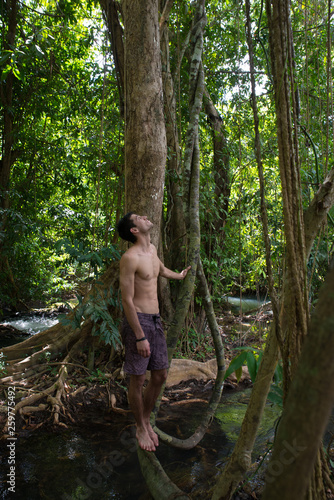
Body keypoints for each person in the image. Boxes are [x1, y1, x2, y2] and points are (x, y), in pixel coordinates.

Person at [117, 212, 191, 452]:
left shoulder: (153, 250)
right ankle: (140, 426)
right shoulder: (129, 258)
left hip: (156, 321)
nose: (145, 216)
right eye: (138, 217)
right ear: (134, 231)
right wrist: (139, 336)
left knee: (159, 375)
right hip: (138, 322)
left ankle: (146, 419)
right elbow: (127, 300)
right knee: (138, 379)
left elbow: (159, 269)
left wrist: (178, 275)